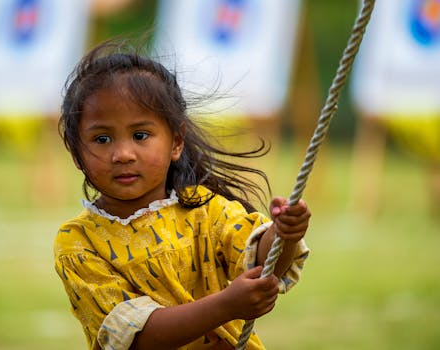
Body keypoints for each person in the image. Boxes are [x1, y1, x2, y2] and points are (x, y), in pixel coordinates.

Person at [54, 40, 311, 350]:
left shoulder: (205, 209)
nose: (122, 154)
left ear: (176, 142)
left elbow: (262, 264)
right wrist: (226, 305)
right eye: (102, 138)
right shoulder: (78, 243)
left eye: (140, 135)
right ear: (77, 153)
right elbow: (136, 340)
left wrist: (284, 234)